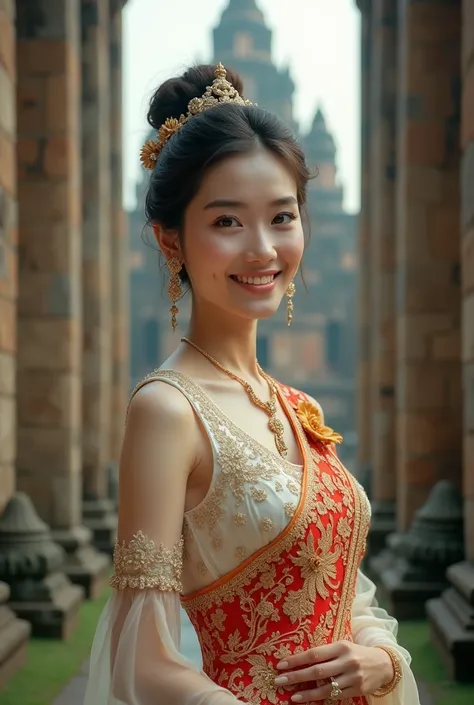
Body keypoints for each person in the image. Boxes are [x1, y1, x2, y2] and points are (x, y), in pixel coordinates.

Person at [84, 64, 420, 705]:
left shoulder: (299, 407)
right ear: (170, 237)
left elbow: (346, 590)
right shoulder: (167, 410)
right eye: (228, 222)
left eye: (282, 216)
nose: (263, 250)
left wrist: (381, 659)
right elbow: (141, 657)